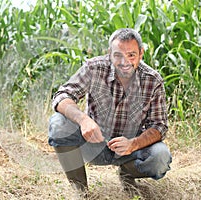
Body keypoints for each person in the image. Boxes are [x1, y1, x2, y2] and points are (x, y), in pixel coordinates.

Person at [48, 28, 172, 196]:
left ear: (141, 53)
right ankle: (81, 192)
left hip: (130, 149)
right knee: (58, 123)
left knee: (160, 157)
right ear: (109, 53)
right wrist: (84, 120)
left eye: (131, 55)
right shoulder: (94, 68)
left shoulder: (152, 80)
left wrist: (132, 144)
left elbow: (159, 126)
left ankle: (127, 173)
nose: (124, 62)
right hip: (92, 145)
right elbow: (62, 95)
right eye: (118, 55)